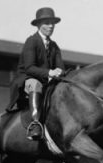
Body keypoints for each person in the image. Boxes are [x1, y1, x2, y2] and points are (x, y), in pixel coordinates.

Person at [6, 7, 66, 140]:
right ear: (39, 25)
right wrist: (50, 72)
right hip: (27, 79)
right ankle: (35, 123)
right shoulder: (31, 41)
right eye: (47, 23)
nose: (51, 26)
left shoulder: (54, 46)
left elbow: (61, 68)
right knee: (36, 85)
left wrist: (60, 72)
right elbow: (29, 68)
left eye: (52, 23)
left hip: (46, 80)